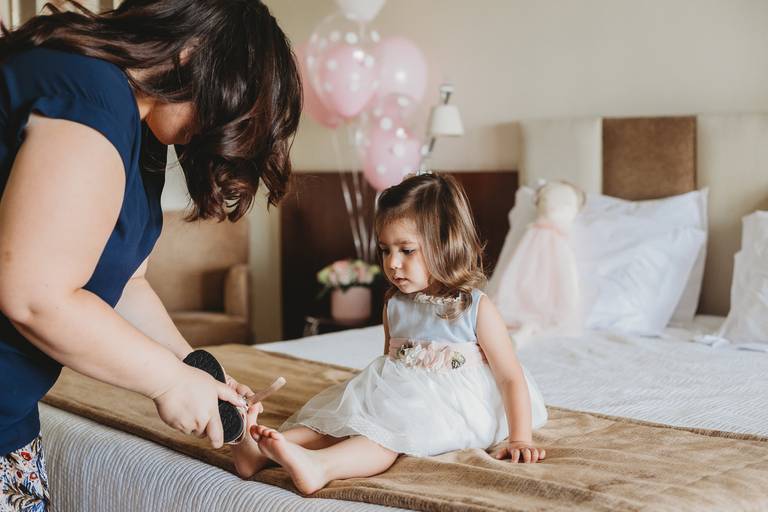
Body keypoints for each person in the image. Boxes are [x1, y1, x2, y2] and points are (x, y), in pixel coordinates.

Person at [0, 0, 301, 508]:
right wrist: (166, 383)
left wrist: (192, 367)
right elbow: (36, 295)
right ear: (192, 53)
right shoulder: (92, 94)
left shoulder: (140, 127)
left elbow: (124, 285)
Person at [231, 173, 548, 494]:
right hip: (402, 392)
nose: (392, 263)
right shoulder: (394, 304)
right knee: (346, 419)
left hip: (452, 406)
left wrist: (520, 437)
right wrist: (372, 405)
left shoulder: (475, 307)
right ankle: (260, 452)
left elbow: (510, 377)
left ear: (444, 243)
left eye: (406, 250)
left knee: (385, 436)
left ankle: (321, 467)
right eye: (385, 250)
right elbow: (389, 365)